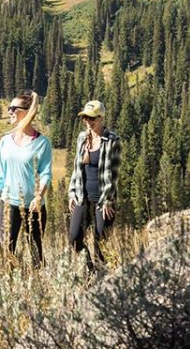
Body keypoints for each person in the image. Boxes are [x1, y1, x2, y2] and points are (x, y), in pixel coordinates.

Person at [0, 90, 52, 265]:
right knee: (6, 251)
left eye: (14, 108)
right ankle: (9, 287)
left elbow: (46, 174)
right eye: (9, 108)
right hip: (8, 204)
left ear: (27, 112)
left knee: (35, 253)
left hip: (33, 207)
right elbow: (0, 174)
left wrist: (39, 197)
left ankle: (38, 287)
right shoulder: (5, 142)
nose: (9, 111)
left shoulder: (42, 143)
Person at [67, 100, 121, 269]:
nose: (88, 122)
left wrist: (108, 200)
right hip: (82, 197)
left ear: (100, 118)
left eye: (91, 118)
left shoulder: (112, 140)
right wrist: (72, 192)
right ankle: (89, 267)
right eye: (85, 118)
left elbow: (114, 173)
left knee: (101, 245)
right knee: (74, 238)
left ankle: (103, 279)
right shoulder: (82, 138)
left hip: (103, 199)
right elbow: (76, 168)